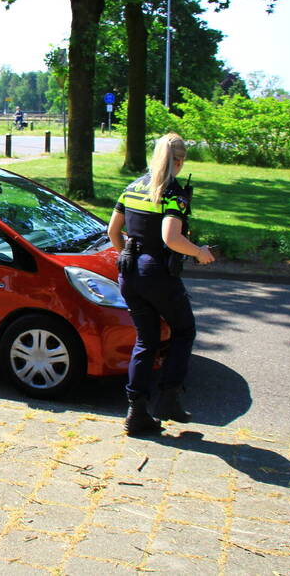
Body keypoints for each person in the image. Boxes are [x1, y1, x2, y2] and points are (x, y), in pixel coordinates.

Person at [107, 132, 215, 435]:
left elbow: (113, 231)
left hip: (129, 273)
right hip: (157, 274)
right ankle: (168, 399)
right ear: (179, 161)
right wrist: (199, 253)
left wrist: (127, 253)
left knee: (146, 340)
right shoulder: (173, 192)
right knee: (184, 330)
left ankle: (136, 412)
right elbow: (171, 238)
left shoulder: (133, 186)